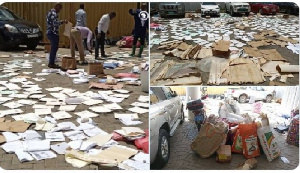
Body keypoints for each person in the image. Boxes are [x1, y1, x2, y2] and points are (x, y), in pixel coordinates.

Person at [46, 3, 68, 69]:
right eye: (60, 8)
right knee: (54, 48)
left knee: (54, 48)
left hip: (50, 32)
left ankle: (51, 62)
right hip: (53, 33)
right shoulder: (54, 13)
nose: (60, 10)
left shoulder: (49, 12)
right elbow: (55, 23)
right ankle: (51, 63)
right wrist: (63, 22)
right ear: (56, 6)